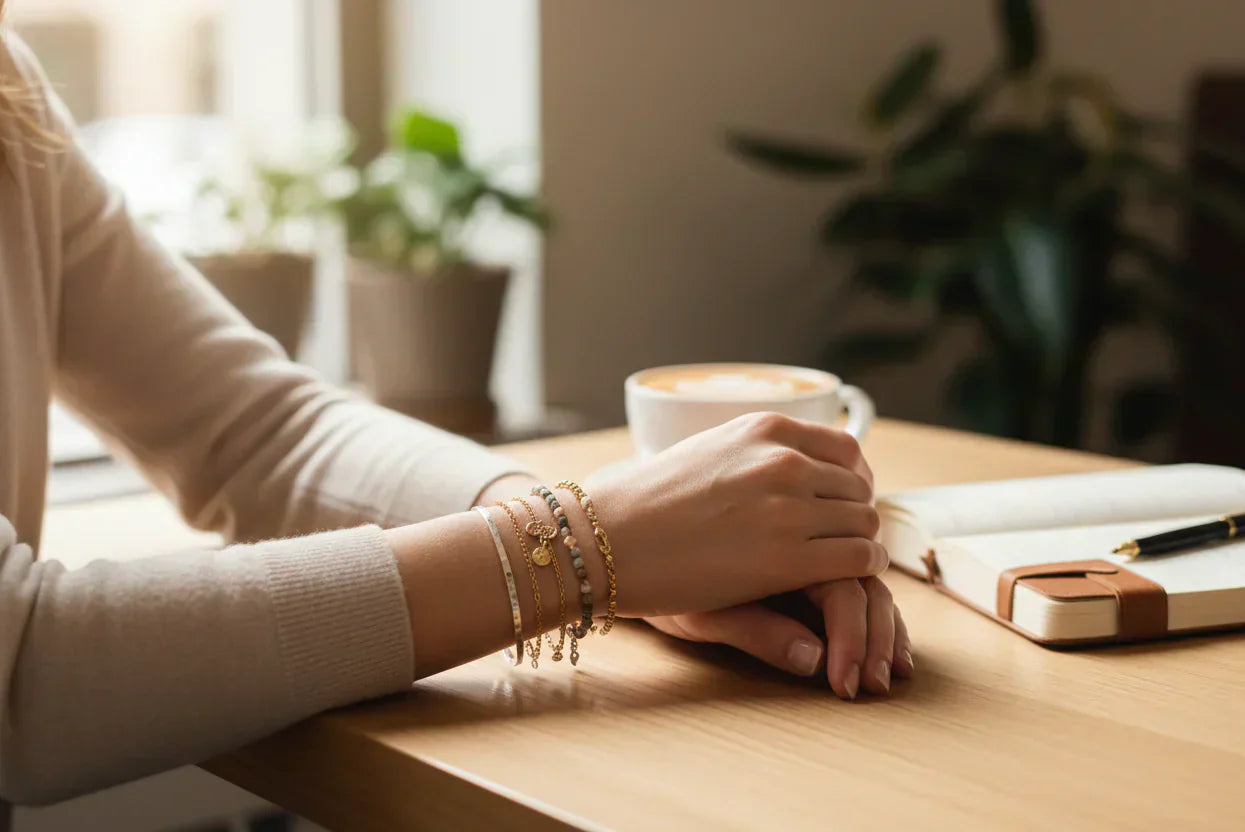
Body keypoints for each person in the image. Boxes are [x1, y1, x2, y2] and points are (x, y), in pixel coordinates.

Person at [0, 22, 911, 815]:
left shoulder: (11, 91)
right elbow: (24, 677)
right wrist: (585, 548)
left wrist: (638, 545)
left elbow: (259, 432)